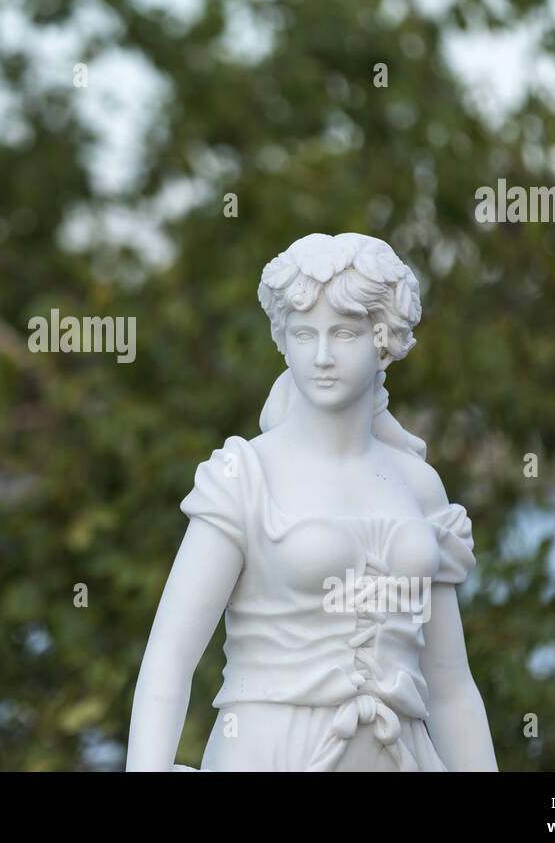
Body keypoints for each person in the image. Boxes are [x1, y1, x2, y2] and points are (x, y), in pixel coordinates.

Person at [126, 233, 498, 771]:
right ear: (284, 338)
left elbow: (449, 685)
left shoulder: (419, 486)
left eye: (344, 333)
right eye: (304, 334)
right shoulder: (245, 475)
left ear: (383, 340)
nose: (321, 356)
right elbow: (170, 657)